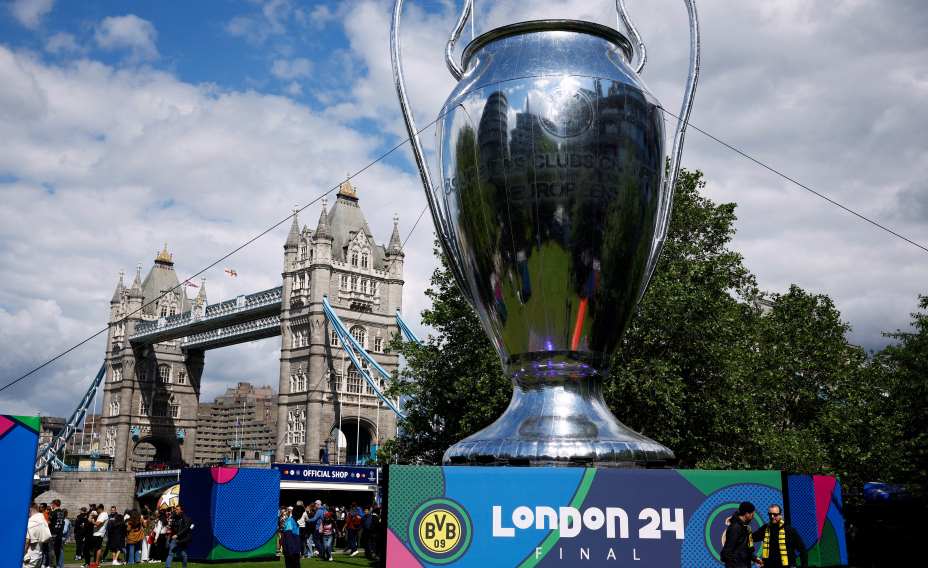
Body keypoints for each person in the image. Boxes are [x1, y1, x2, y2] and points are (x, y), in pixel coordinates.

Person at [721, 501, 759, 568]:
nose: (752, 517)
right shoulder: (735, 528)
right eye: (752, 515)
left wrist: (755, 558)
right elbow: (727, 553)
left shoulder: (745, 527)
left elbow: (744, 549)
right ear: (747, 514)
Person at [24, 503, 53, 568]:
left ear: (30, 510)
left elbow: (27, 541)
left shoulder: (32, 522)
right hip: (39, 554)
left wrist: (23, 554)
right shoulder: (42, 519)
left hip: (30, 555)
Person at [165, 504, 193, 568]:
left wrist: (177, 535)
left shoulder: (186, 518)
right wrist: (170, 526)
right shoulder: (174, 518)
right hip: (174, 539)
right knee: (170, 554)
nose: (176, 511)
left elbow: (185, 529)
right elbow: (172, 527)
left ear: (181, 511)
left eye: (177, 510)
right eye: (175, 510)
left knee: (183, 554)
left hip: (182, 539)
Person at [47, 499, 65, 568]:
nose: (51, 505)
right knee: (58, 550)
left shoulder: (53, 513)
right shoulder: (62, 513)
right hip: (59, 533)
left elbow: (49, 522)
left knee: (51, 550)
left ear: (54, 504)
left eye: (52, 504)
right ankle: (59, 565)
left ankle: (50, 564)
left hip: (53, 533)